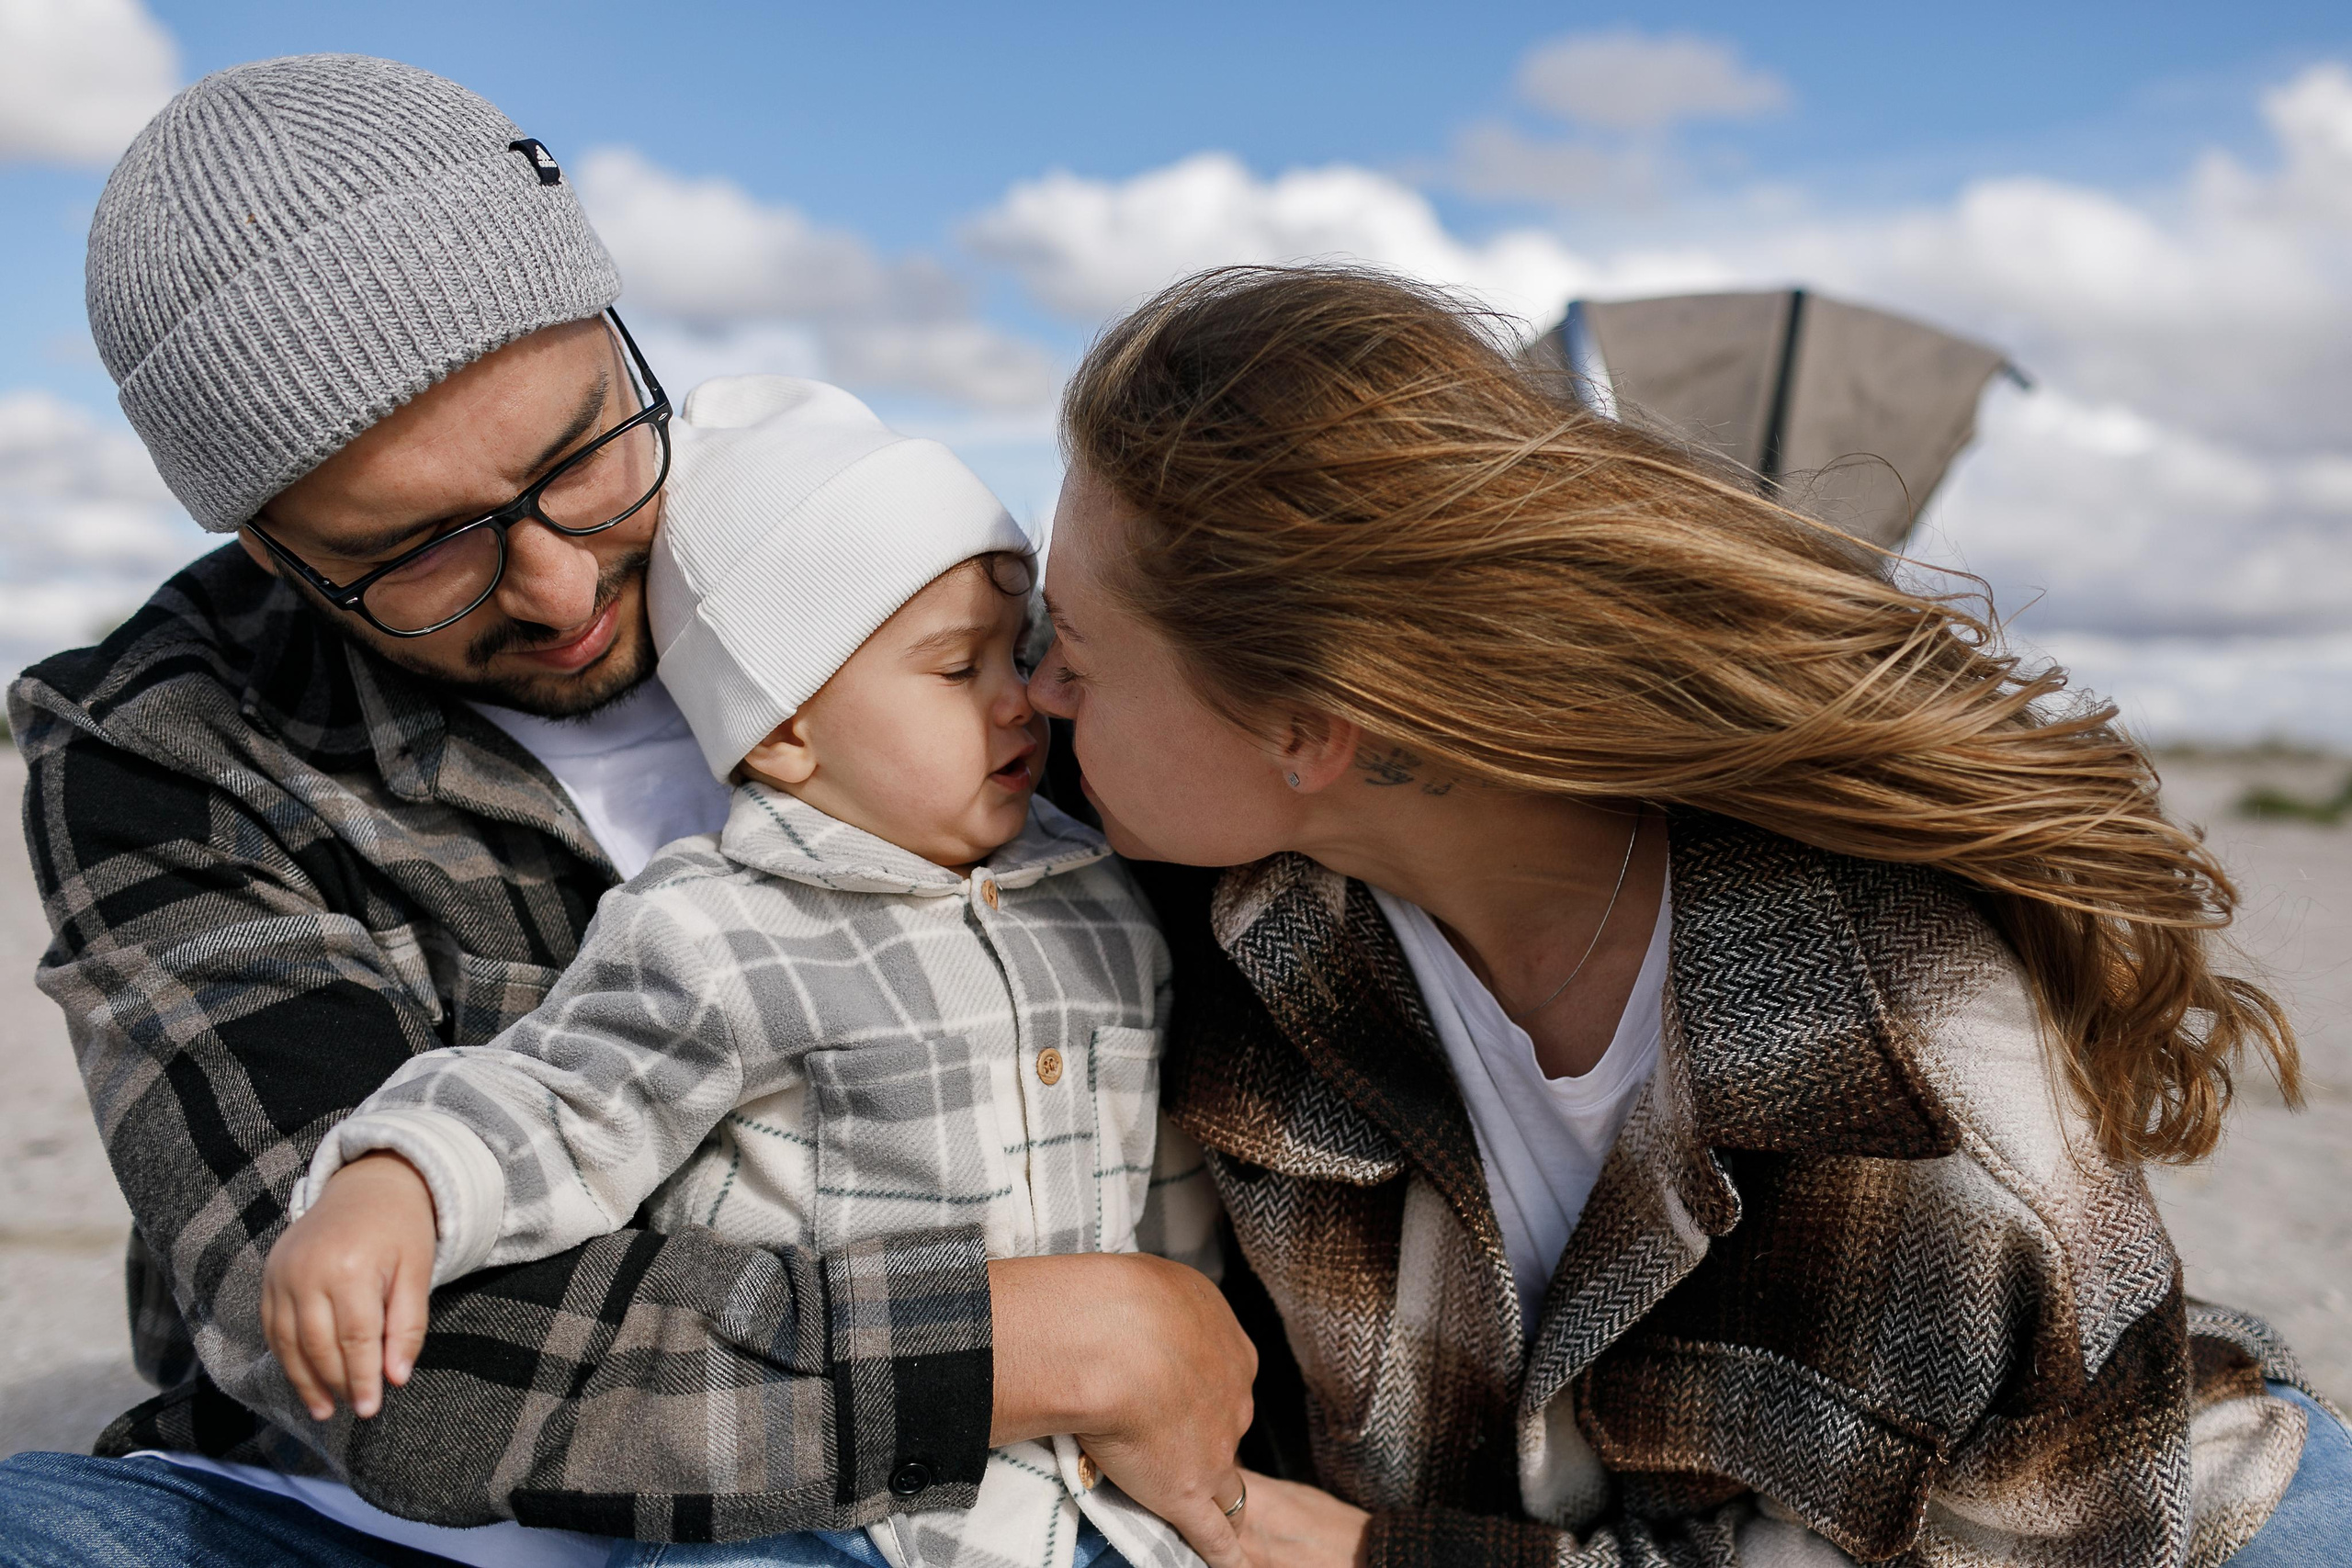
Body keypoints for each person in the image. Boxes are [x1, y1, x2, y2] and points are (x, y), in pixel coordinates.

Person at [0, 56, 1256, 1568]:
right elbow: (372, 1365)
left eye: (581, 454)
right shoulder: (161, 738)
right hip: (378, 1529)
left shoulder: (874, 569)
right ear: (272, 551)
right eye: (418, 550)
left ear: (620, 335)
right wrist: (1042, 1340)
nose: (559, 585)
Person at [1023, 263, 2352, 1567]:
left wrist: (1396, 1557)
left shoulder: (1907, 1053)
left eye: (1071, 656)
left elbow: (2018, 1544)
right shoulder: (1220, 904)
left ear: (1307, 727)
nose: (1036, 699)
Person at [260, 373, 1216, 1568]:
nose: (1022, 698)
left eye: (1021, 650)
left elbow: (1162, 1188)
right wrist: (398, 1183)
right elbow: (560, 1103)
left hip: (1076, 1500)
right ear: (781, 730)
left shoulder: (1100, 893)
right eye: (957, 666)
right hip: (821, 1512)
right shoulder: (720, 929)